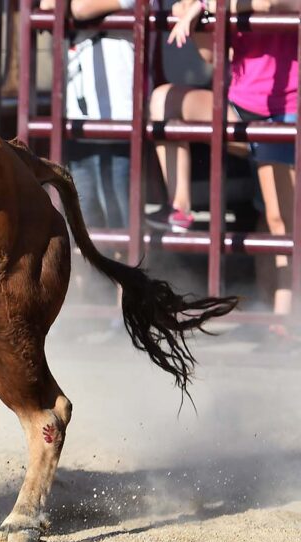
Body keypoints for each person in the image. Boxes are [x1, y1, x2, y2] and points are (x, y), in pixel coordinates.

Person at [150, 0, 297, 330]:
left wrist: (208, 3)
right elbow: (213, 59)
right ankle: (180, 207)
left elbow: (275, 3)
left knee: (277, 219)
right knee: (164, 101)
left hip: (286, 108)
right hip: (240, 106)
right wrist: (197, 17)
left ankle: (283, 320)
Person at [41, 0, 139, 229]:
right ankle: (93, 264)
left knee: (122, 214)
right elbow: (47, 6)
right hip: (79, 121)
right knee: (84, 212)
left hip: (121, 118)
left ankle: (126, 262)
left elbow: (81, 8)